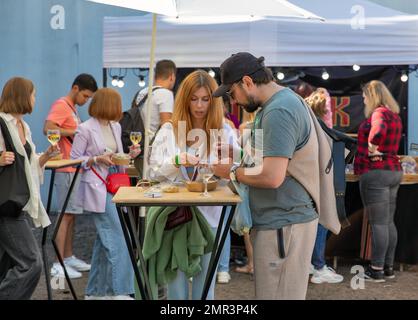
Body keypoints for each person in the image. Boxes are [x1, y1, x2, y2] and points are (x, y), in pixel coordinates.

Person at [212, 52, 340, 300]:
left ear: (247, 81)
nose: (233, 101)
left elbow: (272, 176)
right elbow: (274, 159)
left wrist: (230, 171)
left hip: (284, 224)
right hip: (282, 221)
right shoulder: (279, 104)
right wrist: (238, 153)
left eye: (232, 92)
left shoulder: (279, 111)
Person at [148, 70, 239, 300]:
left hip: (210, 217)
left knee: (205, 288)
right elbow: (153, 171)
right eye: (193, 98)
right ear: (184, 99)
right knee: (176, 289)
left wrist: (225, 169)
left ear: (214, 100)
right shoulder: (169, 130)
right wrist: (178, 160)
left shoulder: (225, 131)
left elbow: (236, 171)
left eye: (205, 99)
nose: (199, 105)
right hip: (177, 216)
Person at [70, 88, 141, 300]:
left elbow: (118, 157)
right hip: (97, 186)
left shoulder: (115, 126)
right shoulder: (84, 129)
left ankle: (95, 292)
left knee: (105, 240)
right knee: (120, 237)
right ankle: (121, 291)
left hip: (113, 184)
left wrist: (130, 155)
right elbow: (75, 160)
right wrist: (95, 159)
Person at [0, 77, 59, 299]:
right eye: (34, 95)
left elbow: (30, 165)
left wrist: (46, 156)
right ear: (22, 96)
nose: (36, 99)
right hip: (6, 206)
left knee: (8, 267)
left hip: (16, 204)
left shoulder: (22, 126)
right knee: (31, 263)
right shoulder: (1, 123)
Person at [44, 73, 98, 279]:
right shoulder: (61, 105)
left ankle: (67, 257)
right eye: (85, 96)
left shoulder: (71, 108)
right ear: (75, 88)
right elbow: (48, 128)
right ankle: (58, 263)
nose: (86, 101)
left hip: (73, 168)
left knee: (72, 215)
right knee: (65, 216)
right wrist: (75, 131)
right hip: (65, 168)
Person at [354, 80, 403, 282]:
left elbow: (377, 131)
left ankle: (376, 270)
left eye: (365, 96)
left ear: (372, 95)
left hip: (376, 172)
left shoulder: (379, 113)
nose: (363, 100)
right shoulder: (394, 115)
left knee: (379, 225)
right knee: (387, 222)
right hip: (393, 171)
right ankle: (388, 267)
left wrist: (373, 146)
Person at [305, 90, 344, 284]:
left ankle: (314, 264)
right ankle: (318, 266)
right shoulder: (321, 131)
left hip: (311, 185)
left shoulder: (311, 128)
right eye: (327, 108)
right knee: (322, 221)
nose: (330, 112)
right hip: (319, 184)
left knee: (317, 223)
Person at [134, 59, 177, 137]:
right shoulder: (166, 94)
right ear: (172, 77)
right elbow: (166, 126)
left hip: (138, 142)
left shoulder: (142, 92)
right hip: (154, 144)